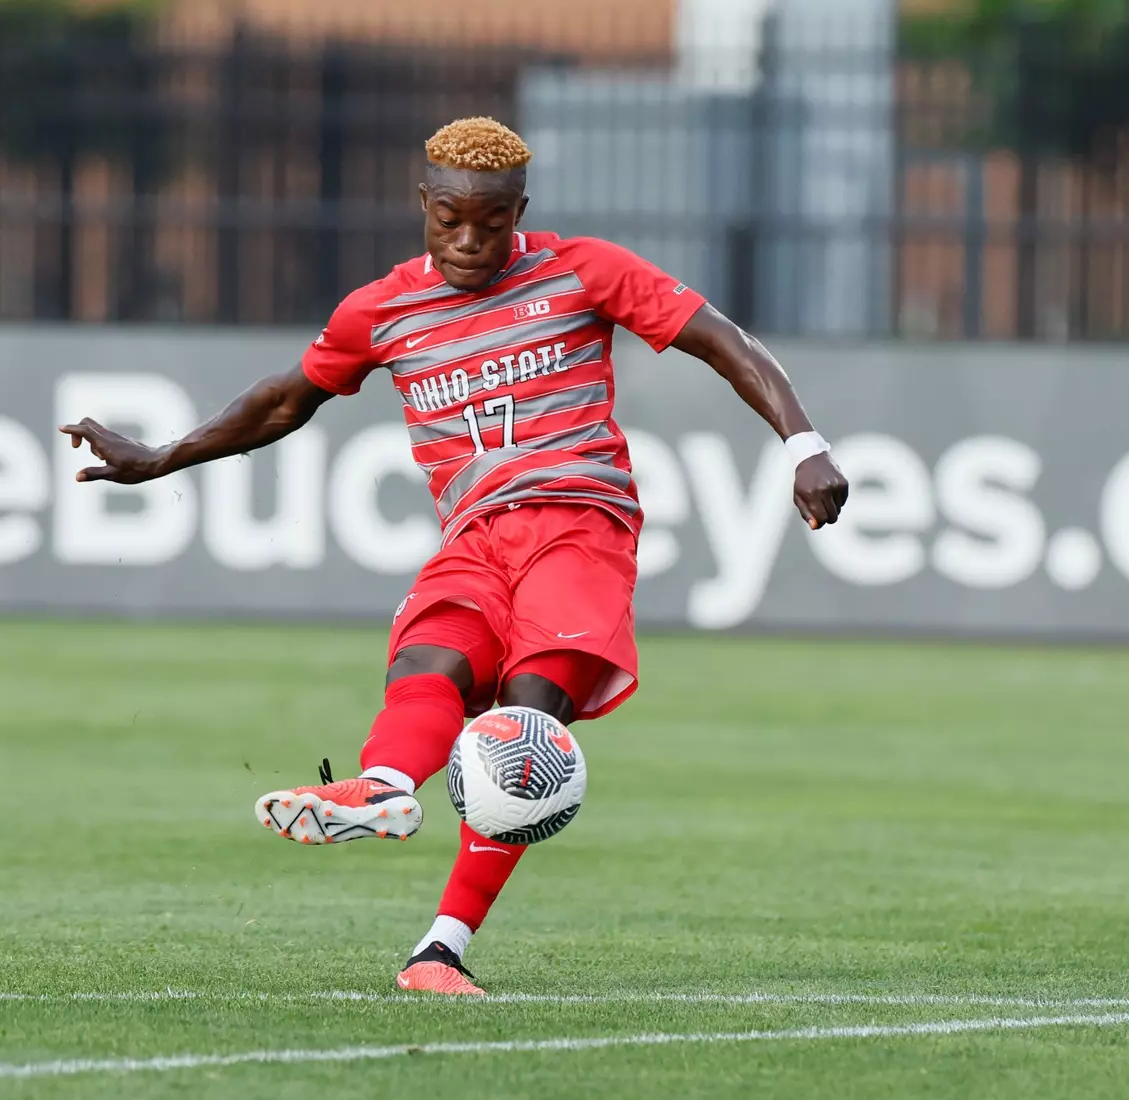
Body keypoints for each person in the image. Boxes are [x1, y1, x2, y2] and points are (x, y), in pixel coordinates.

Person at [60, 117, 848, 995]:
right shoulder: (382, 309)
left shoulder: (585, 270)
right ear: (423, 205)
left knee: (525, 728)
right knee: (427, 663)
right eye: (450, 221)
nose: (470, 241)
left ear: (520, 212)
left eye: (492, 222)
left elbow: (723, 341)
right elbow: (285, 401)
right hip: (473, 535)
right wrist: (160, 458)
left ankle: (442, 946)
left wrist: (803, 444)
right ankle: (383, 787)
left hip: (577, 524)